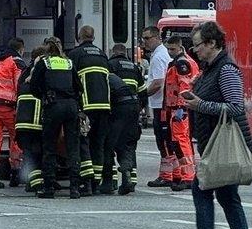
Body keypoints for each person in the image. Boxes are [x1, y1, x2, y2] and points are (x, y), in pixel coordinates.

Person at [177, 21, 252, 229]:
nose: (194, 50)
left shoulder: (226, 70)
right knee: (226, 196)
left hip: (226, 144)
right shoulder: (210, 68)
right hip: (215, 144)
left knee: (203, 190)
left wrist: (200, 105)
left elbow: (235, 107)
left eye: (198, 45)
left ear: (212, 43)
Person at [32, 37, 84, 199]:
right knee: (72, 146)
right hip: (71, 106)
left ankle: (49, 188)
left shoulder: (44, 63)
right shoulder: (69, 63)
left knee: (50, 147)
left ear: (46, 49)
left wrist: (44, 95)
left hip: (53, 106)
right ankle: (74, 188)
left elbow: (34, 86)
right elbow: (79, 87)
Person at [67, 25, 113, 195]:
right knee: (98, 144)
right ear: (93, 38)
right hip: (104, 106)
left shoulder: (75, 55)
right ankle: (96, 183)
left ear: (79, 37)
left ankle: (86, 183)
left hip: (86, 107)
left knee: (83, 144)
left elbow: (71, 82)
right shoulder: (102, 54)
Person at [0, 37, 26, 189]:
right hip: (8, 105)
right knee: (16, 139)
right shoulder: (17, 62)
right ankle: (15, 173)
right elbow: (19, 85)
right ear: (20, 49)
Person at [108, 43, 145, 194]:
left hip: (117, 109)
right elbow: (143, 92)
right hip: (133, 109)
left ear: (113, 53)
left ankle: (111, 181)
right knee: (129, 145)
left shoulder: (110, 65)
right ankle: (130, 179)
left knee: (110, 144)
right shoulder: (134, 67)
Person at [142, 26, 176, 188]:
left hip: (161, 105)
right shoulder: (162, 54)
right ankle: (173, 174)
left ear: (156, 38)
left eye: (147, 38)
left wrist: (141, 95)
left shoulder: (158, 57)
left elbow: (158, 83)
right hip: (165, 104)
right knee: (168, 141)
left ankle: (166, 175)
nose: (144, 42)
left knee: (163, 141)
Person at [164, 35, 198, 191]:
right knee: (179, 142)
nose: (170, 52)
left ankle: (188, 176)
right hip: (179, 108)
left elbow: (184, 87)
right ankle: (181, 175)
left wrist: (179, 108)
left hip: (180, 109)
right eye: (168, 49)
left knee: (180, 141)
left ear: (180, 46)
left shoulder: (182, 63)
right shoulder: (181, 62)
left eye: (172, 49)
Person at [15, 46, 48, 193]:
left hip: (22, 122)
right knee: (35, 152)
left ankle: (33, 181)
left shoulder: (24, 74)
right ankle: (37, 183)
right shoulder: (41, 76)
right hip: (34, 123)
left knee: (29, 152)